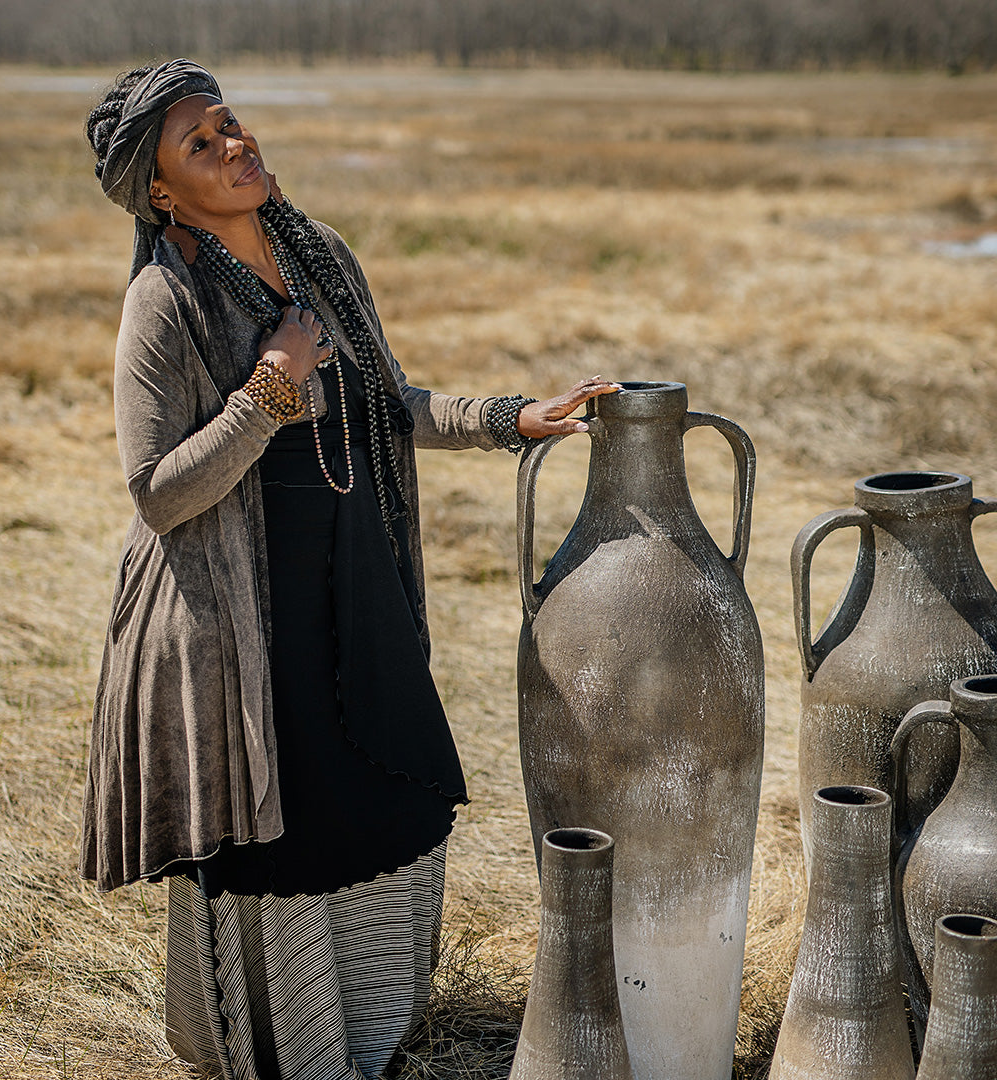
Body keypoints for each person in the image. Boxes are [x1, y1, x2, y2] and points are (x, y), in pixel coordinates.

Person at [80, 58, 617, 1080]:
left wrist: (512, 417)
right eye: (202, 144)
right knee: (285, 829)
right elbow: (156, 492)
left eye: (230, 124)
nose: (236, 144)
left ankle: (370, 1026)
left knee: (382, 792)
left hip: (354, 579)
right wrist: (270, 388)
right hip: (241, 614)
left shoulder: (318, 254)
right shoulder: (165, 300)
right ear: (158, 192)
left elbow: (391, 402)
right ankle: (287, 1046)